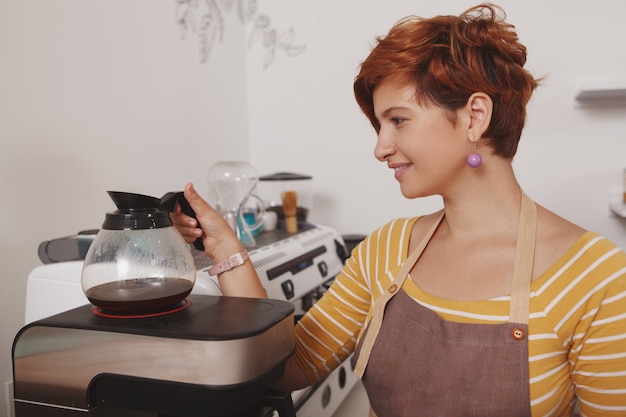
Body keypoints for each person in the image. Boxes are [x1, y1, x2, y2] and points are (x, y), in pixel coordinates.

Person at [172, 3, 626, 416]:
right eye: (379, 124)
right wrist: (227, 249)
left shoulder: (597, 277)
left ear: (474, 117)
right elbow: (293, 365)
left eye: (398, 120)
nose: (380, 148)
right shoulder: (388, 249)